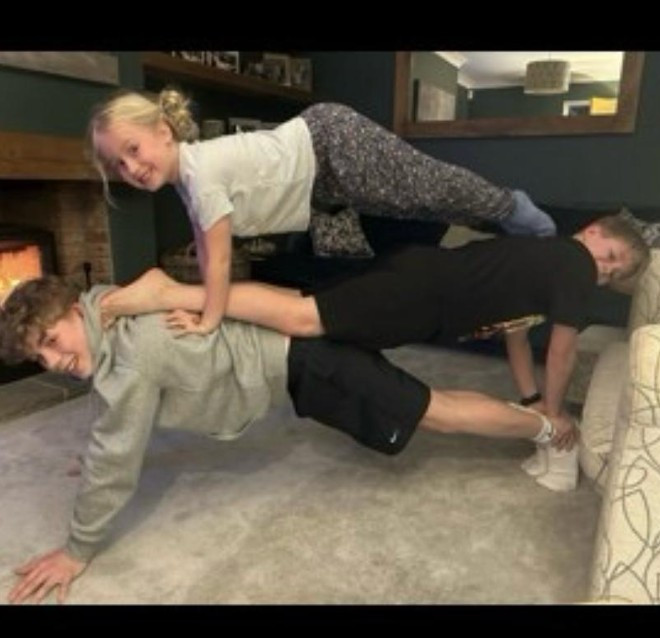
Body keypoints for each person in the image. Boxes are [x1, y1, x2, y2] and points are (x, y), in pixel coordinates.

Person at [0, 275, 558, 604]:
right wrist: (93, 446)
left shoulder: (132, 356)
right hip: (299, 341)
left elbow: (115, 457)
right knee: (426, 403)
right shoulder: (111, 308)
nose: (54, 361)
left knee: (435, 413)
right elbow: (109, 411)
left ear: (74, 310)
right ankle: (541, 422)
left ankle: (554, 429)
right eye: (38, 358)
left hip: (312, 361)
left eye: (52, 340)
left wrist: (76, 552)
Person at [98, 212, 649, 491]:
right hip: (421, 294)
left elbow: (517, 337)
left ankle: (197, 306)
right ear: (591, 232)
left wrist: (532, 400)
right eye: (610, 255)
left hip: (420, 282)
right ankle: (170, 291)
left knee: (299, 310)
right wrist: (555, 412)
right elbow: (562, 352)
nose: (604, 271)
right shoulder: (574, 264)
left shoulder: (545, 264)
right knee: (302, 318)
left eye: (615, 272)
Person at [87, 88, 556, 338]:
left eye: (133, 149)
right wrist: (207, 303)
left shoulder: (200, 174)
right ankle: (498, 221)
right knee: (416, 204)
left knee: (426, 186)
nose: (131, 168)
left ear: (163, 131)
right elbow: (209, 253)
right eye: (118, 165)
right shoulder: (189, 181)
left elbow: (220, 259)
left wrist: (208, 319)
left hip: (331, 144)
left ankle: (512, 206)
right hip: (323, 173)